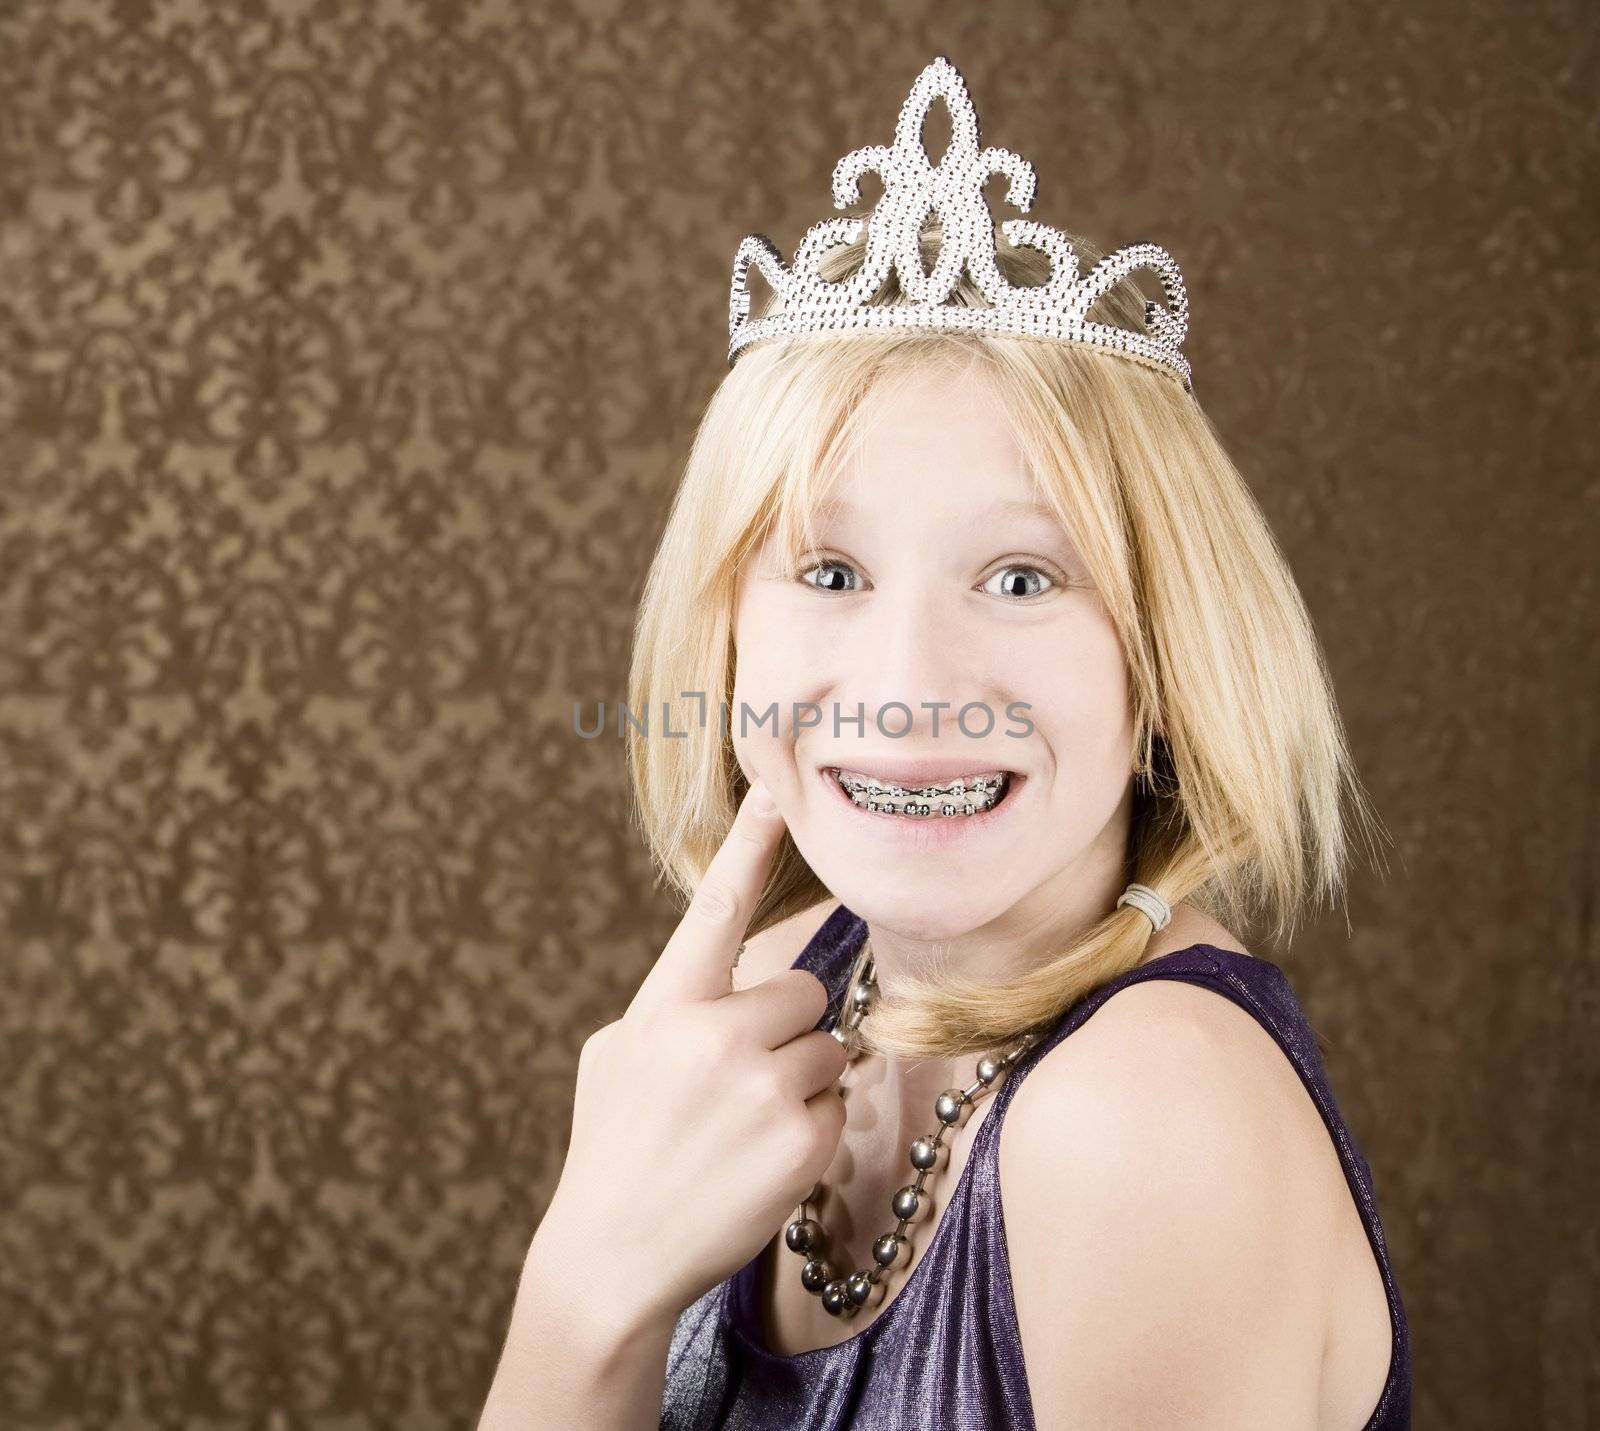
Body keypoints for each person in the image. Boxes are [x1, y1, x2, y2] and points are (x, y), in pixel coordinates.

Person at [479, 56, 1412, 1430]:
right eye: (832, 575)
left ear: (1162, 660)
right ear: (728, 643)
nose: (908, 688)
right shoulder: (781, 989)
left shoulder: (1148, 1119)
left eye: (1024, 579)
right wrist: (584, 1286)